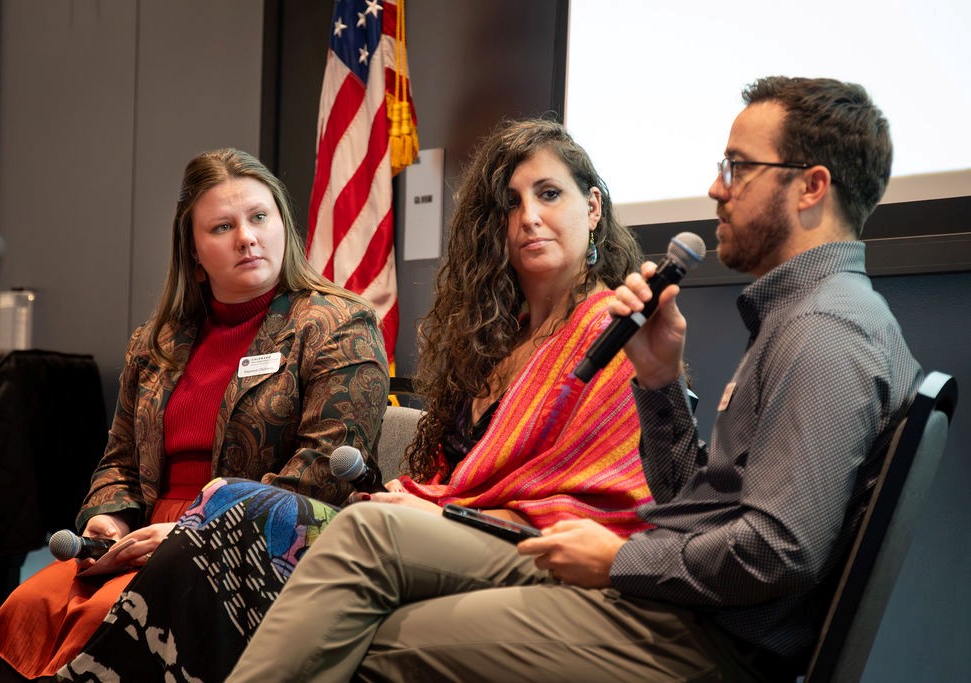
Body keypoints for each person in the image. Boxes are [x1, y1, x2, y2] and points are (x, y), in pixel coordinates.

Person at [226, 76, 924, 683]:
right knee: (370, 554)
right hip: (686, 610)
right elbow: (692, 506)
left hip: (701, 640)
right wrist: (654, 382)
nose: (716, 186)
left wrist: (622, 558)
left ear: (812, 186)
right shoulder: (806, 316)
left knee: (380, 619)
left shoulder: (826, 333)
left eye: (738, 167)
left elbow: (779, 550)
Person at [51, 118, 655, 682]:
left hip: (530, 541)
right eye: (510, 203)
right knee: (89, 578)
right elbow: (120, 457)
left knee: (237, 511)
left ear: (593, 206)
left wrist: (441, 510)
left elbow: (589, 494)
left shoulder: (615, 324)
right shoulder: (494, 342)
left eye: (549, 194)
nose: (528, 217)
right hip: (435, 526)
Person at [0, 148, 390, 681]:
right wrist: (109, 520)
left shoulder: (337, 323)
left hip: (258, 545)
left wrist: (193, 531)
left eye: (259, 217)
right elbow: (119, 461)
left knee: (102, 626)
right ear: (194, 253)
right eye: (222, 226)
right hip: (142, 541)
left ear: (282, 226)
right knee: (29, 607)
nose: (246, 237)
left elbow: (323, 472)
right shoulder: (156, 344)